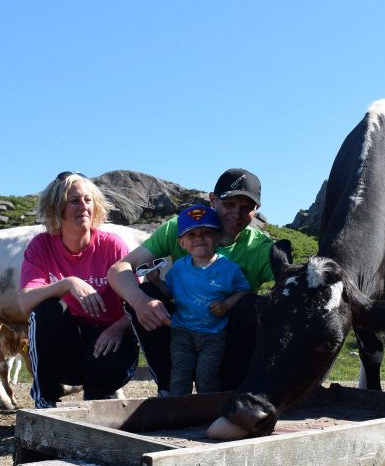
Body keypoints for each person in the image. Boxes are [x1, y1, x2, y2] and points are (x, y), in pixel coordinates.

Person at [107, 168, 279, 394]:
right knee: (147, 292)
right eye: (229, 204)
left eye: (246, 207)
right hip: (181, 329)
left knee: (251, 305)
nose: (236, 214)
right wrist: (140, 302)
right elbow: (119, 270)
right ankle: (169, 388)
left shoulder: (261, 249)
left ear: (256, 210)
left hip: (226, 337)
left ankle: (230, 389)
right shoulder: (181, 227)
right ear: (213, 199)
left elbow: (291, 292)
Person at [19, 171, 138, 408]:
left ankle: (97, 398)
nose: (83, 206)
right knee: (45, 311)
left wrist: (117, 329)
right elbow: (25, 302)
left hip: (108, 337)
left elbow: (137, 302)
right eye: (74, 201)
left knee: (107, 365)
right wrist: (67, 283)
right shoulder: (41, 246)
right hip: (69, 344)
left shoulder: (112, 246)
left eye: (88, 200)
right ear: (57, 208)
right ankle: (45, 398)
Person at [147, 205, 250, 396]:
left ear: (217, 237)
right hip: (182, 332)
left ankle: (206, 410)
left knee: (206, 376)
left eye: (206, 233)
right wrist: (156, 282)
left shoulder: (230, 269)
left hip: (214, 335)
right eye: (191, 235)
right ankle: (178, 409)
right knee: (180, 374)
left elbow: (244, 291)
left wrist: (227, 304)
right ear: (182, 242)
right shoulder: (178, 268)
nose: (199, 239)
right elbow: (169, 292)